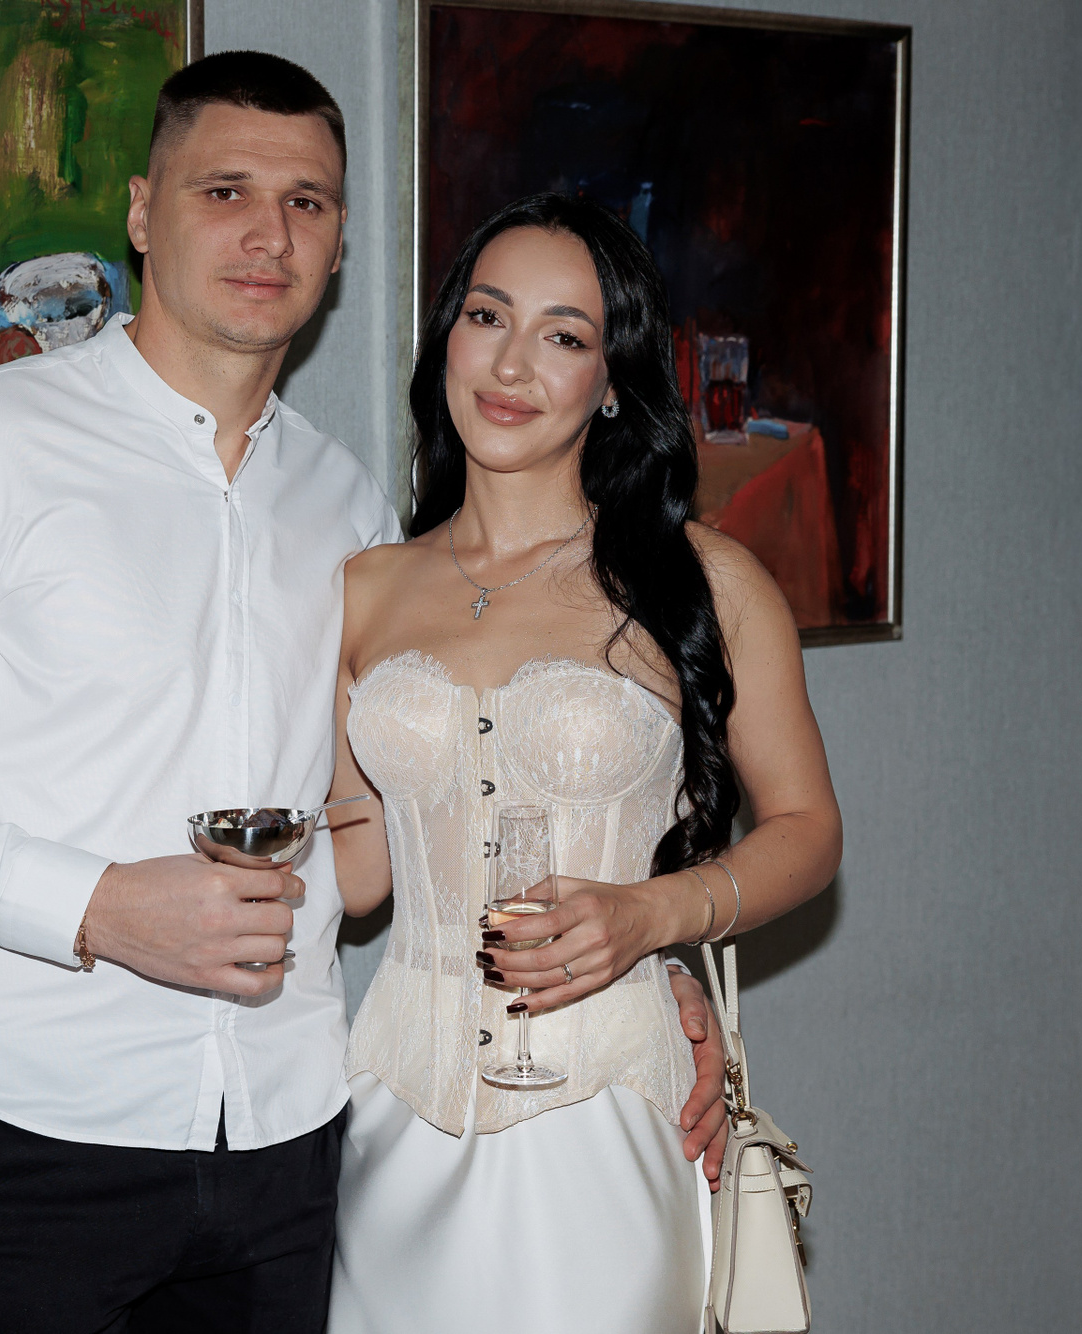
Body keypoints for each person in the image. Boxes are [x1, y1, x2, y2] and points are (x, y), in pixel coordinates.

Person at [0, 53, 728, 1334]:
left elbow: (420, 815)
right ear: (141, 211)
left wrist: (647, 957)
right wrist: (97, 906)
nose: (268, 233)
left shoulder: (351, 510)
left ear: (338, 244)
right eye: (224, 191)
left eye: (306, 202)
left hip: (289, 1139)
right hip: (30, 1136)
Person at [323, 192, 845, 1332]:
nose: (511, 363)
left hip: (605, 1119)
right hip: (394, 1115)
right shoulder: (363, 587)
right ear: (447, 338)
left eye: (562, 335)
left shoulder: (703, 581)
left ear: (612, 380)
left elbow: (809, 830)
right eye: (486, 316)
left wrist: (655, 916)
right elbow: (357, 870)